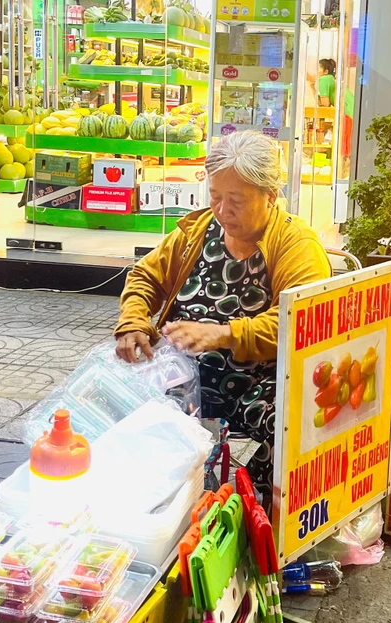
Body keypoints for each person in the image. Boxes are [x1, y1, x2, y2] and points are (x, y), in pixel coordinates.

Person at [114, 131, 333, 501]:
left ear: (271, 196)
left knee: (298, 423)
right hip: (184, 376)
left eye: (237, 200)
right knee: (111, 402)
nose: (222, 210)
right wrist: (134, 322)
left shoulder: (297, 245)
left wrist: (224, 334)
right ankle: (158, 502)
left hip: (256, 382)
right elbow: (145, 275)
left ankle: (249, 506)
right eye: (215, 196)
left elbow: (299, 321)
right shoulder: (198, 231)